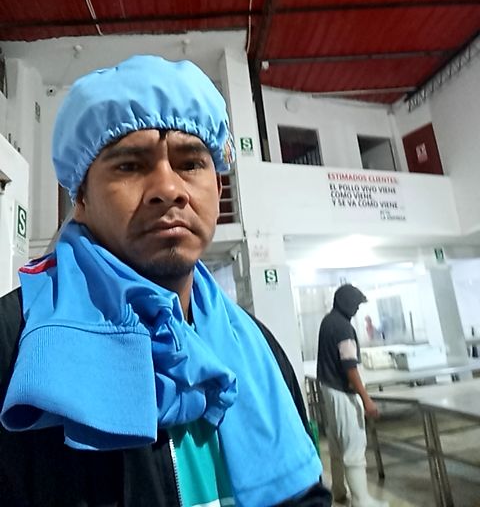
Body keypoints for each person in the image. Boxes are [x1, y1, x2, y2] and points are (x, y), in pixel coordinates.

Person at [0, 55, 331, 507]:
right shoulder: (16, 347)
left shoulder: (258, 348)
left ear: (218, 187)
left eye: (190, 163)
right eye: (130, 166)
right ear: (80, 197)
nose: (169, 188)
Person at [317, 285, 388, 507]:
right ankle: (361, 500)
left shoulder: (328, 321)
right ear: (346, 303)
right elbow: (349, 366)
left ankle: (339, 491)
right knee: (353, 445)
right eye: (356, 304)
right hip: (342, 392)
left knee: (337, 444)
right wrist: (366, 400)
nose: (357, 309)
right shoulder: (343, 328)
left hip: (328, 389)